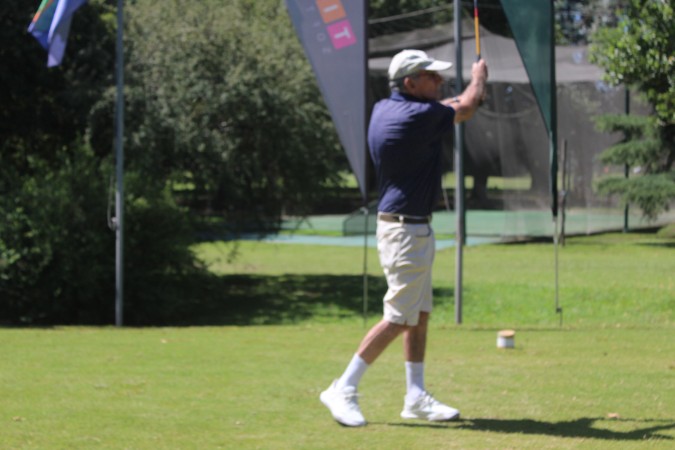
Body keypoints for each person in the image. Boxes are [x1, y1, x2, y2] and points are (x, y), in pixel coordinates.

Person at [320, 49, 488, 427]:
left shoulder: (387, 108)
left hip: (410, 229)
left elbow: (452, 104)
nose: (439, 80)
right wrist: (478, 76)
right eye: (431, 75)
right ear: (410, 83)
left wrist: (466, 97)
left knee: (418, 315)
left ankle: (415, 396)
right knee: (398, 318)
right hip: (405, 232)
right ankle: (343, 388)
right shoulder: (418, 116)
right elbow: (466, 105)